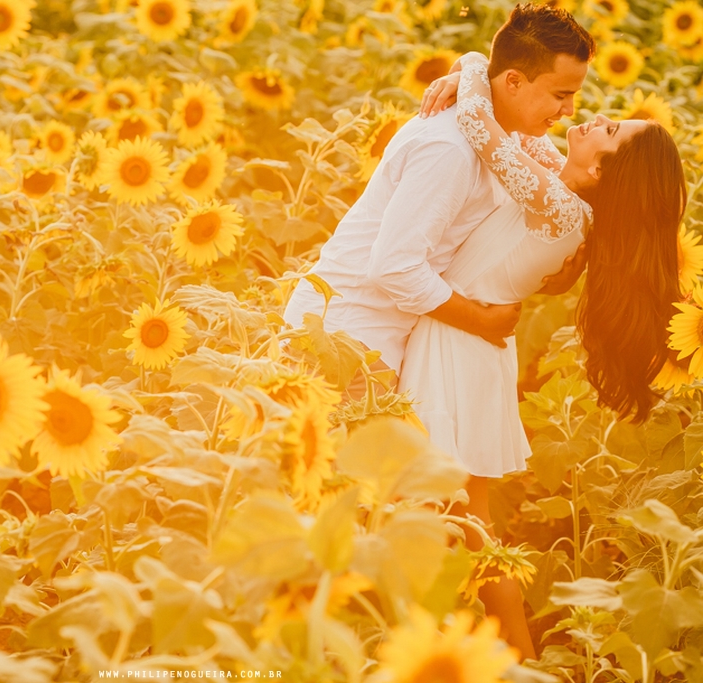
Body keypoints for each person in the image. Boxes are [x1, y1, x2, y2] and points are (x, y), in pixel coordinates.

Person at [398, 46, 685, 660]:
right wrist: (478, 66)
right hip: (465, 346)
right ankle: (515, 661)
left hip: (458, 350)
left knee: (439, 518)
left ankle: (441, 649)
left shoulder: (559, 209)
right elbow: (503, 128)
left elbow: (482, 128)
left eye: (607, 130)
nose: (588, 119)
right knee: (467, 527)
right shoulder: (556, 183)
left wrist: (472, 64)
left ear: (606, 172)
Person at [281, 4, 593, 405]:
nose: (568, 111)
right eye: (561, 95)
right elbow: (394, 266)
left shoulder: (507, 137)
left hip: (373, 342)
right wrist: (481, 320)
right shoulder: (450, 150)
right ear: (514, 82)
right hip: (343, 340)